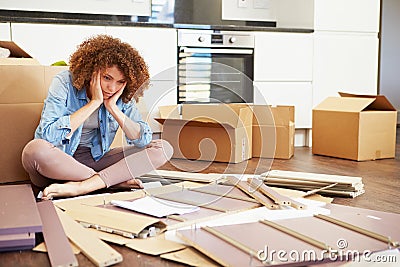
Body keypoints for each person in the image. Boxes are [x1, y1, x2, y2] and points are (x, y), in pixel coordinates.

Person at [21, 34, 173, 200]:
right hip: (57, 162)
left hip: (93, 160)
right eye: (107, 78)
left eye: (120, 82)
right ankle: (110, 182)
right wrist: (94, 102)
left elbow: (143, 139)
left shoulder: (120, 96)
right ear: (92, 70)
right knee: (33, 150)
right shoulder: (64, 82)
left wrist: (113, 108)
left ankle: (83, 186)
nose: (112, 87)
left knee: (163, 148)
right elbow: (47, 136)